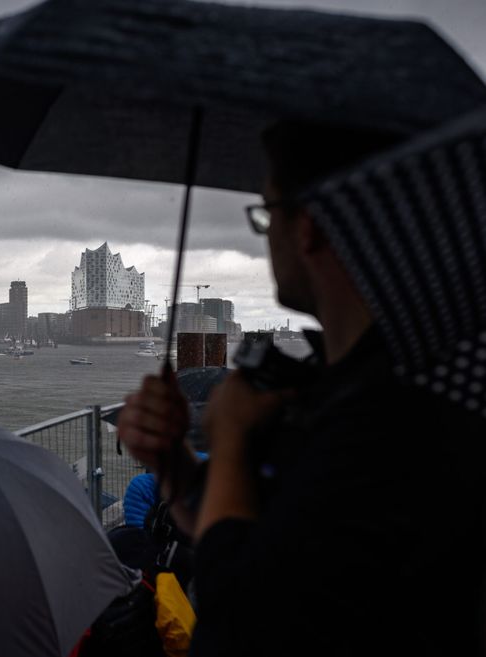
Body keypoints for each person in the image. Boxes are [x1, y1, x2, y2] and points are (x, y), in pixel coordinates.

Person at [117, 121, 486, 656]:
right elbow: (255, 532)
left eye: (268, 212)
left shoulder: (382, 422)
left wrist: (234, 438)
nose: (266, 233)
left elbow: (238, 619)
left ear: (308, 223)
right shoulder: (367, 381)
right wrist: (173, 461)